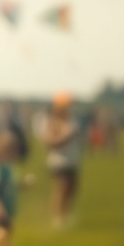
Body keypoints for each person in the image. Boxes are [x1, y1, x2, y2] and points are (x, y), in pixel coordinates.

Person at [43, 93, 84, 229]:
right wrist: (67, 136)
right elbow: (50, 141)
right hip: (59, 161)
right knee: (62, 188)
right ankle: (58, 217)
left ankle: (65, 214)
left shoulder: (71, 120)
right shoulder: (52, 121)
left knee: (72, 188)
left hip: (72, 159)